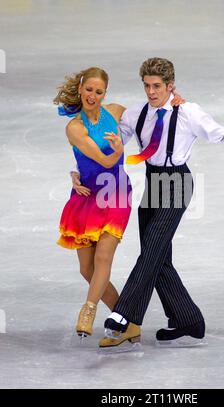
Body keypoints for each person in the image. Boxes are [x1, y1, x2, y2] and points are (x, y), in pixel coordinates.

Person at [72, 58, 224, 349]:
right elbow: (104, 145)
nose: (151, 92)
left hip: (178, 184)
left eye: (157, 86)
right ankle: (188, 320)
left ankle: (124, 314)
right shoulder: (137, 113)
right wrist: (77, 171)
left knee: (153, 250)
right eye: (146, 85)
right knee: (156, 255)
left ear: (171, 86)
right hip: (153, 183)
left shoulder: (189, 113)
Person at [55, 66, 183, 345]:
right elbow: (103, 159)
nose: (93, 95)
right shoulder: (74, 127)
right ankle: (129, 323)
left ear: (105, 94)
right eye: (88, 89)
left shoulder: (115, 112)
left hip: (115, 194)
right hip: (87, 195)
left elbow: (150, 114)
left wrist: (174, 100)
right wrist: (74, 171)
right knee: (86, 269)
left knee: (103, 258)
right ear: (80, 89)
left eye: (99, 91)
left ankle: (88, 311)